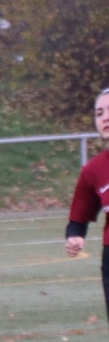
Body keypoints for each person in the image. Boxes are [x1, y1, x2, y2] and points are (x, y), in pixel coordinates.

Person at [63, 87, 109, 319]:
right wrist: (74, 236)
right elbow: (78, 218)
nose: (105, 118)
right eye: (100, 113)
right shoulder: (93, 170)